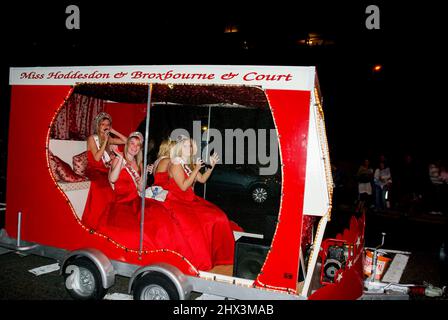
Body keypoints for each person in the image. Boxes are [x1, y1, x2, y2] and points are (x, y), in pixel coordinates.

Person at [99, 132, 193, 254]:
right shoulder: (118, 158)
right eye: (132, 143)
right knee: (141, 231)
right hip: (122, 203)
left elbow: (141, 189)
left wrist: (144, 177)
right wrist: (121, 160)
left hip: (136, 199)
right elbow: (112, 179)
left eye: (138, 145)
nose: (135, 147)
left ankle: (167, 252)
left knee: (162, 217)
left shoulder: (139, 164)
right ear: (127, 144)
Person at [163, 135, 237, 270]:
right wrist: (196, 168)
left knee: (219, 217)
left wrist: (211, 167)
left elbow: (202, 179)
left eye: (190, 145)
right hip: (177, 202)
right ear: (179, 148)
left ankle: (221, 256)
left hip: (190, 201)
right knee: (197, 228)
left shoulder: (186, 164)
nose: (189, 148)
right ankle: (200, 262)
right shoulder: (175, 163)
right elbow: (184, 186)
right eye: (185, 145)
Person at [81, 112, 127, 229]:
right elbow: (96, 158)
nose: (105, 126)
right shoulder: (92, 138)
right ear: (98, 126)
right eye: (103, 124)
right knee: (103, 190)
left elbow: (126, 141)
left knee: (121, 184)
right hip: (95, 170)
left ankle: (110, 221)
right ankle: (95, 222)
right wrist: (106, 141)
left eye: (107, 124)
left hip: (106, 170)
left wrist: (114, 131)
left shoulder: (109, 137)